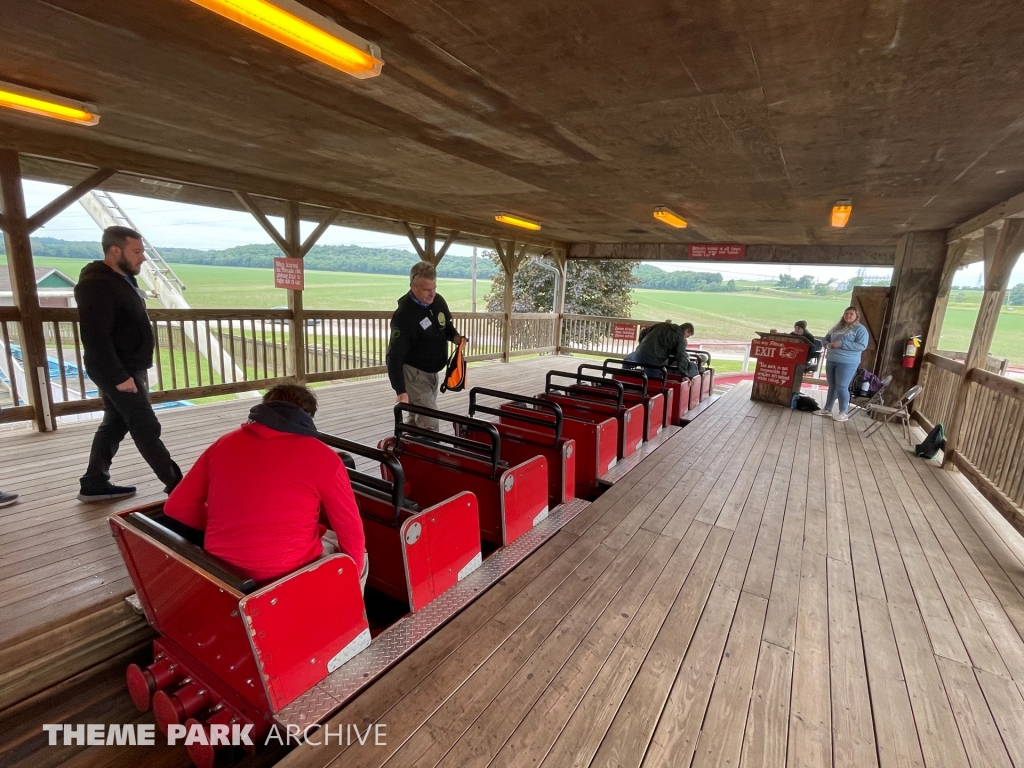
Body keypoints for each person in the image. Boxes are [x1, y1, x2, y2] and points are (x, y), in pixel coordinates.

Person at [164, 384, 368, 588]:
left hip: (223, 572)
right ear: (306, 417)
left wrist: (229, 529)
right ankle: (350, 614)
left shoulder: (223, 444)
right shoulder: (324, 457)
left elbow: (177, 506)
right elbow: (350, 528)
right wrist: (353, 574)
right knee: (357, 555)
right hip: (289, 575)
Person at [76, 226, 182, 502]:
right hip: (118, 371)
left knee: (114, 424)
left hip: (129, 368)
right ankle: (179, 486)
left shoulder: (123, 279)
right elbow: (95, 335)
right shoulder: (96, 284)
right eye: (137, 251)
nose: (143, 258)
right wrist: (119, 376)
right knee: (145, 426)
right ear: (115, 250)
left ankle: (94, 482)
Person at [386, 261, 466, 431]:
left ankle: (403, 449)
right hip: (414, 375)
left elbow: (446, 326)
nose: (432, 294)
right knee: (431, 424)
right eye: (427, 290)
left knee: (417, 421)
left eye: (434, 288)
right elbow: (394, 355)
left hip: (432, 373)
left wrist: (455, 337)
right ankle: (431, 454)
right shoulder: (404, 316)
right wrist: (400, 390)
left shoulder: (438, 302)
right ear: (413, 287)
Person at [816, 306, 869, 422]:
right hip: (831, 359)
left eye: (851, 314)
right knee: (832, 386)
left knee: (842, 386)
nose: (848, 316)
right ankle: (827, 409)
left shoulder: (860, 329)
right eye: (846, 314)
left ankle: (843, 412)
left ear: (856, 316)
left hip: (847, 362)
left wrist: (841, 344)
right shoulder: (837, 327)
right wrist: (827, 345)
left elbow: (862, 346)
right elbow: (825, 339)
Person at [625, 320, 695, 377]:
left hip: (638, 354)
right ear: (687, 330)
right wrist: (684, 374)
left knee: (626, 362)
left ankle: (624, 382)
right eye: (688, 336)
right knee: (651, 382)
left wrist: (642, 345)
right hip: (653, 360)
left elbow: (643, 332)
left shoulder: (662, 325)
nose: (686, 338)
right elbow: (681, 356)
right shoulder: (681, 339)